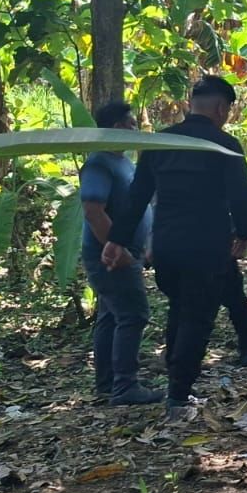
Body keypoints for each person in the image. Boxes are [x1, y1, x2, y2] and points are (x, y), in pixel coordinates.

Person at [103, 75, 247, 416]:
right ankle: (178, 395)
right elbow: (241, 196)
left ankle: (176, 379)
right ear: (221, 108)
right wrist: (245, 234)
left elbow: (137, 195)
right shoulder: (224, 144)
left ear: (191, 104)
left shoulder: (162, 142)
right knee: (196, 318)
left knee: (179, 308)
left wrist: (117, 239)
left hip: (166, 246)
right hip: (207, 246)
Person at [78, 101, 160, 405]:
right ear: (116, 127)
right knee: (133, 314)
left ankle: (108, 382)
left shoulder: (122, 161)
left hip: (127, 252)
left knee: (111, 316)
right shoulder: (99, 163)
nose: (136, 128)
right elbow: (93, 210)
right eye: (131, 123)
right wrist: (116, 246)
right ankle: (125, 386)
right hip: (109, 256)